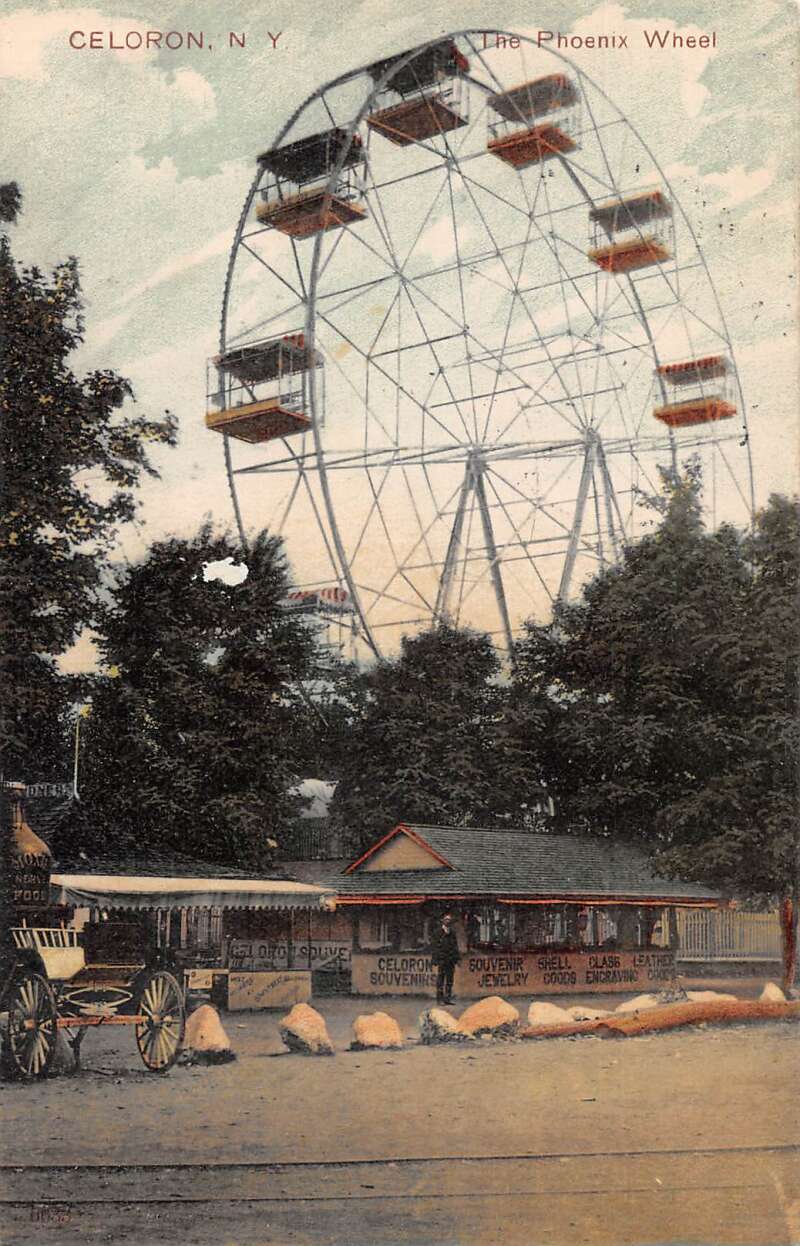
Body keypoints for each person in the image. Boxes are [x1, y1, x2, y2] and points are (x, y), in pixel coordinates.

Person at [430, 912, 461, 1005]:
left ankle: (447, 999)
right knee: (441, 980)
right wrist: (435, 959)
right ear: (442, 921)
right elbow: (435, 946)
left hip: (450, 960)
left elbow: (455, 946)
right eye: (446, 919)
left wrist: (457, 959)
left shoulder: (452, 932)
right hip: (442, 959)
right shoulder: (437, 932)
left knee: (450, 980)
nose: (448, 921)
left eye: (449, 919)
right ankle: (439, 1000)